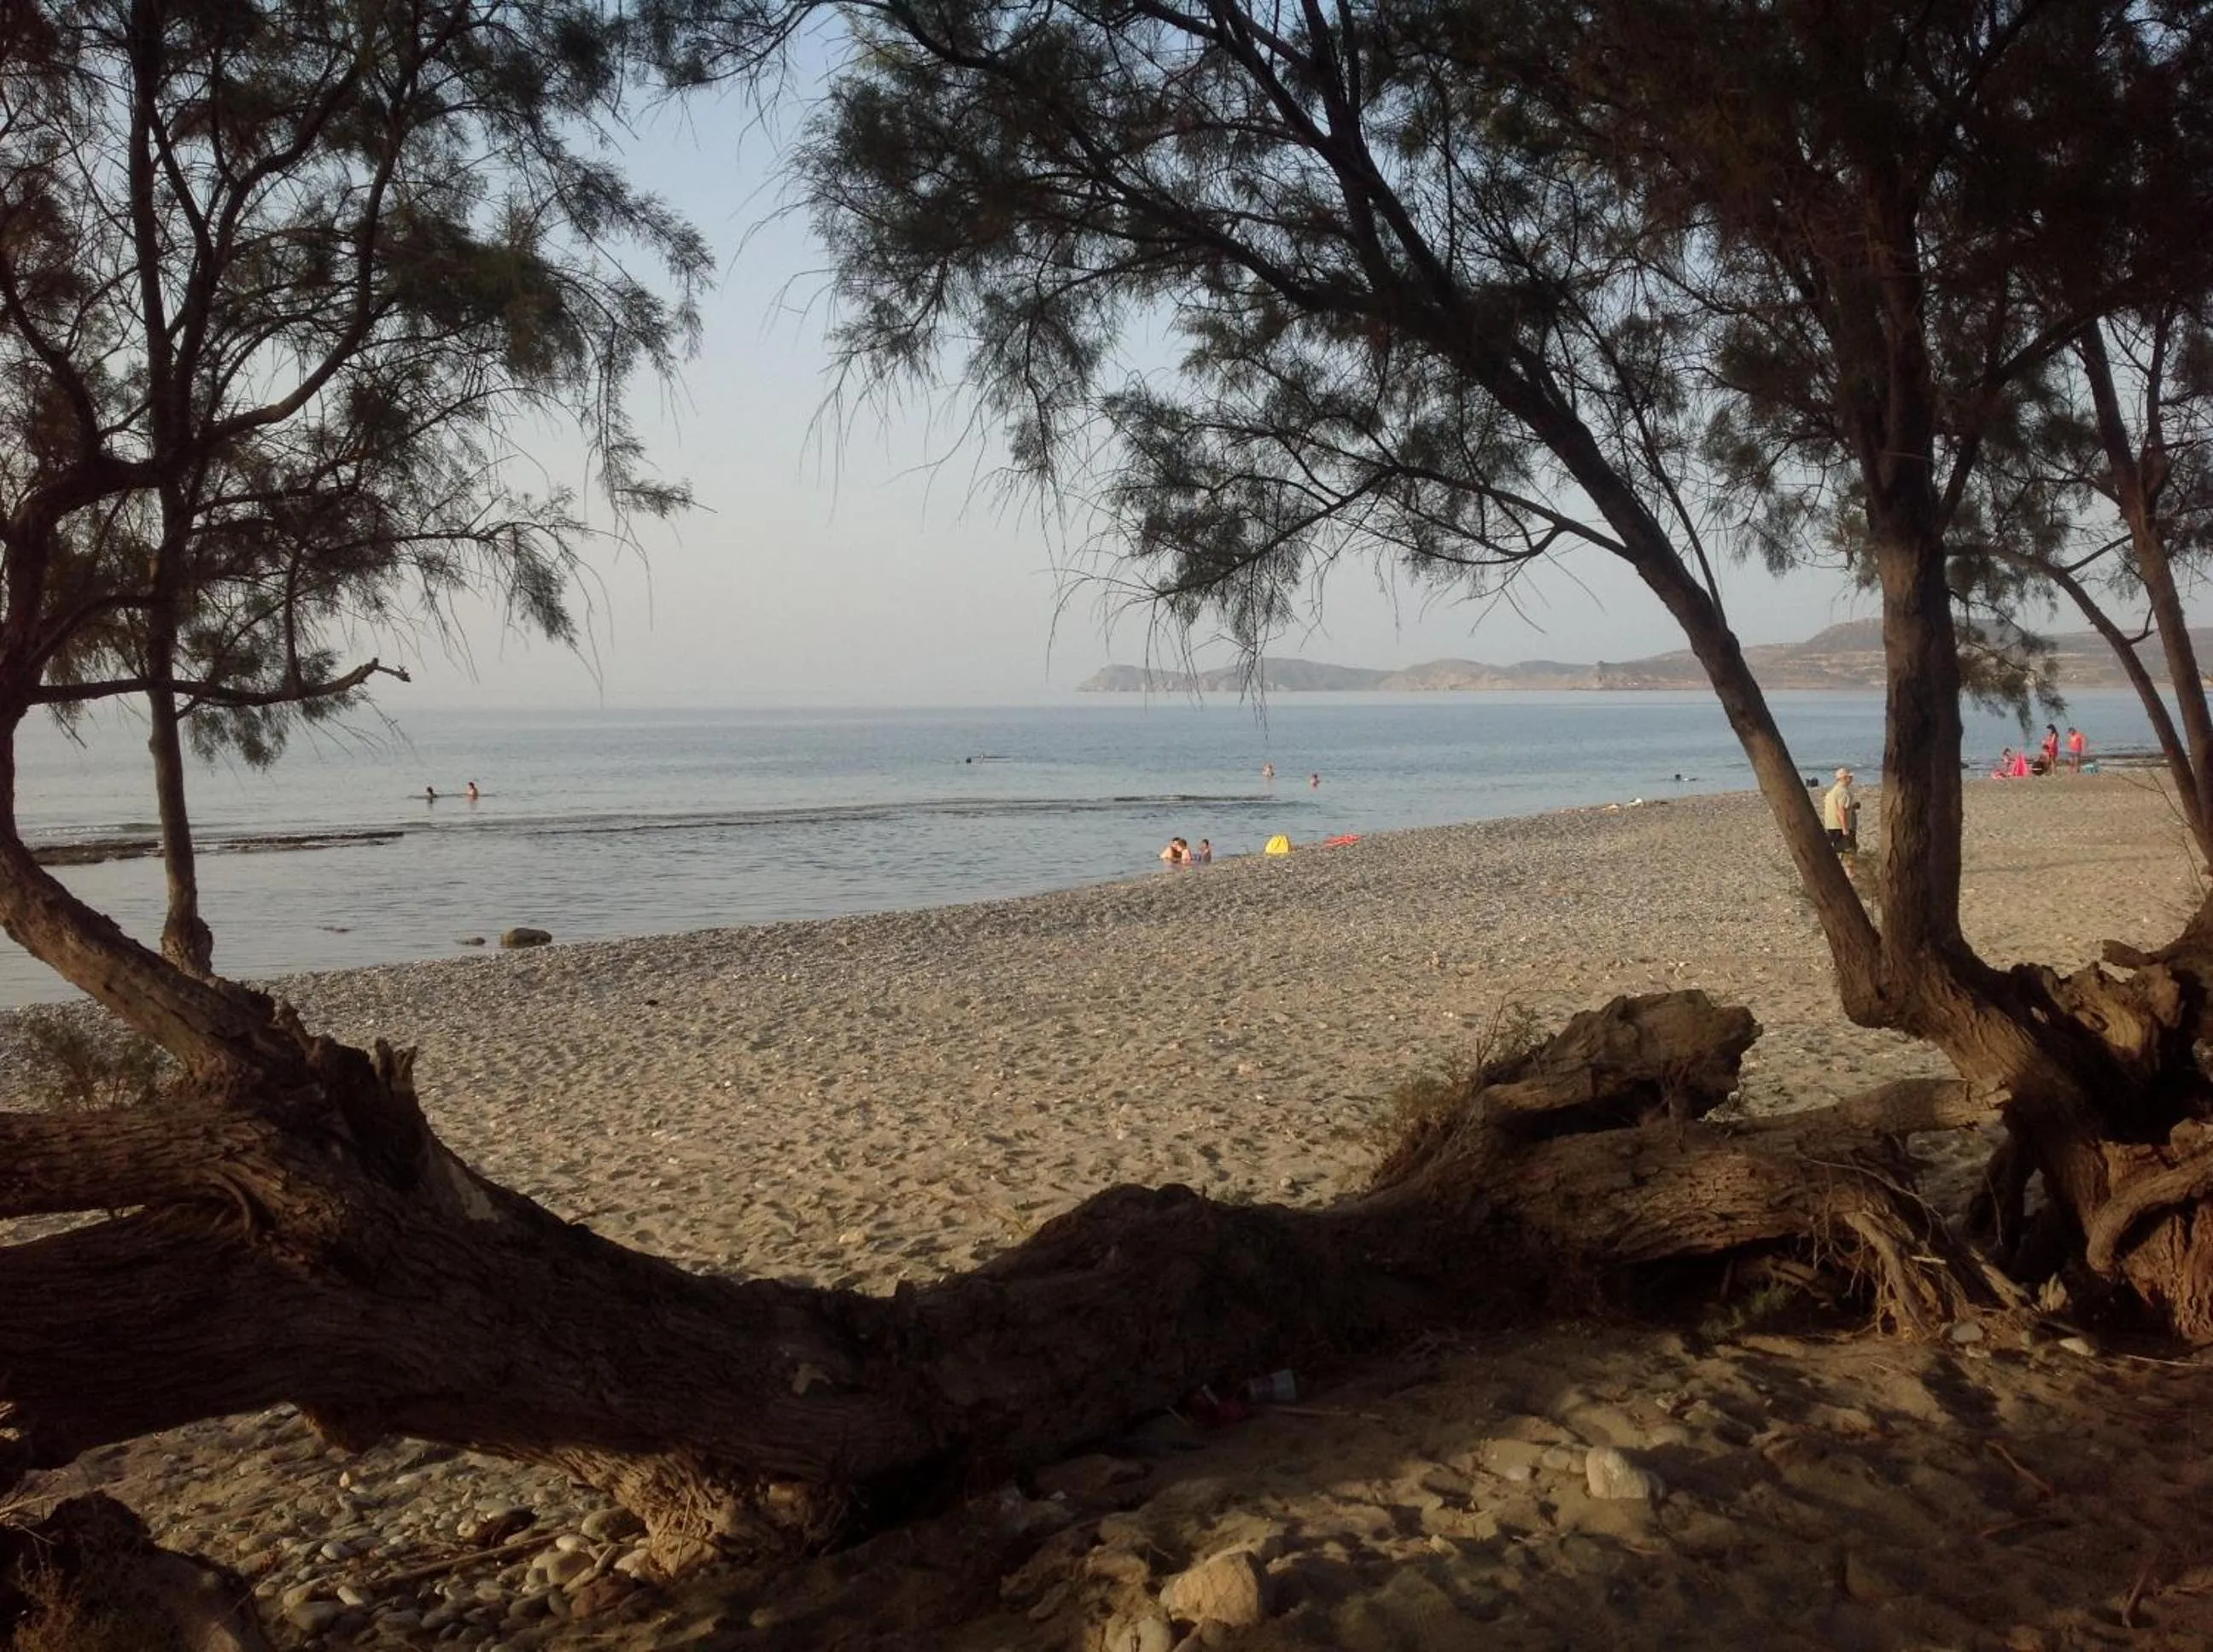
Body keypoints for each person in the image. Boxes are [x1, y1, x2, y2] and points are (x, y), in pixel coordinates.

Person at [1822, 767, 1858, 853]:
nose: (1851, 779)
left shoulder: (1831, 792)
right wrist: (1845, 830)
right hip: (1840, 826)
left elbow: (1834, 807)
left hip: (1830, 825)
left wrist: (1852, 806)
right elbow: (1841, 811)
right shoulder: (1844, 792)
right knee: (1849, 851)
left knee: (1833, 850)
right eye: (1850, 777)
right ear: (1844, 778)